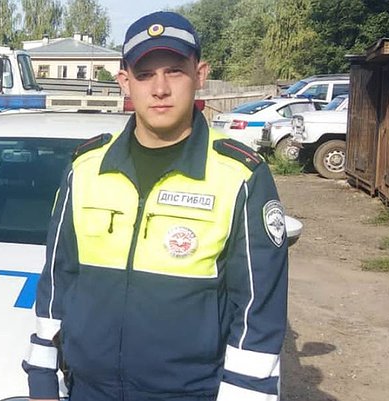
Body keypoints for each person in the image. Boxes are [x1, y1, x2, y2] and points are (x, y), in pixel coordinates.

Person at [23, 11, 288, 401]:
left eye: (174, 72)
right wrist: (42, 378)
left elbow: (257, 311)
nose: (160, 89)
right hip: (89, 391)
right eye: (145, 75)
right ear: (124, 82)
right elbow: (56, 281)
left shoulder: (240, 174)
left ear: (200, 74)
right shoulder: (86, 167)